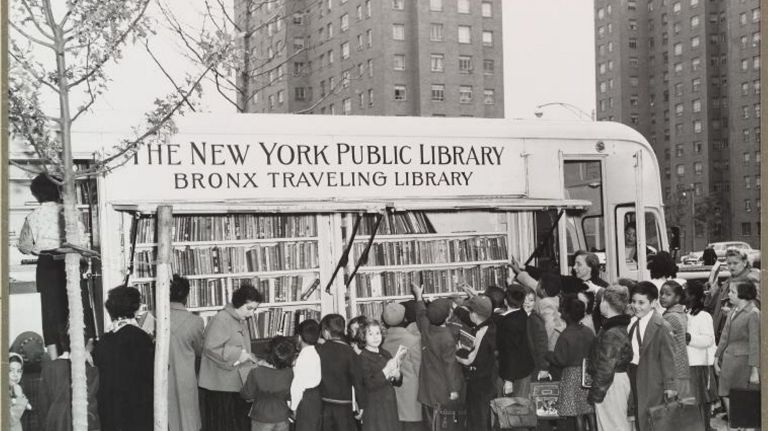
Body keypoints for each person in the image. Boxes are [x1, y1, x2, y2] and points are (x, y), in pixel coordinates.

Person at [17, 173, 91, 360]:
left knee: (50, 314)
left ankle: (55, 360)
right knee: (75, 309)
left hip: (47, 265)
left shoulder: (33, 216)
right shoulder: (70, 212)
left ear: (37, 194)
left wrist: (37, 249)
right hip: (69, 261)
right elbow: (82, 243)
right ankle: (82, 357)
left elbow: (24, 247)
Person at [199, 283, 262, 431]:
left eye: (254, 309)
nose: (252, 314)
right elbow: (210, 348)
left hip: (231, 384)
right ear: (238, 303)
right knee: (224, 425)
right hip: (220, 387)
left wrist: (251, 358)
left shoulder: (239, 319)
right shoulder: (221, 319)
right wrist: (239, 354)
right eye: (249, 308)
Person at [93, 285, 154, 431]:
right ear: (135, 307)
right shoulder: (141, 338)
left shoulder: (104, 340)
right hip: (137, 408)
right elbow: (150, 374)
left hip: (111, 408)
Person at [409, 283, 464, 430]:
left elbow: (421, 314)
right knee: (442, 424)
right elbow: (450, 365)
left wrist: (419, 297)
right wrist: (453, 390)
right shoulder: (447, 338)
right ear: (448, 316)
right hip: (442, 391)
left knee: (429, 423)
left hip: (427, 389)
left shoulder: (426, 328)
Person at [627, 282, 677, 431]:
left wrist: (670, 386)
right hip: (634, 373)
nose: (636, 306)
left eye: (641, 302)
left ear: (654, 302)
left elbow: (669, 358)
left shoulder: (662, 326)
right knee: (639, 415)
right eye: (634, 302)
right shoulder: (633, 323)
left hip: (653, 378)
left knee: (653, 419)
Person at [546, 295, 595, 431]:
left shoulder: (565, 335)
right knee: (590, 411)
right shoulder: (588, 332)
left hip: (571, 376)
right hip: (588, 374)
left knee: (578, 414)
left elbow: (560, 360)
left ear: (566, 314)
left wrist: (548, 355)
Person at [587, 285, 633, 431]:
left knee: (611, 425)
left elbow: (606, 366)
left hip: (611, 382)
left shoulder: (611, 332)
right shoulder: (617, 328)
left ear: (605, 304)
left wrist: (596, 393)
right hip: (615, 380)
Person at [714, 280, 760, 423]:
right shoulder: (733, 311)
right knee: (725, 394)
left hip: (743, 364)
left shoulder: (753, 313)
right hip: (728, 362)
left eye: (733, 292)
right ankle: (736, 424)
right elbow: (724, 336)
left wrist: (754, 371)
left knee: (742, 400)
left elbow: (755, 344)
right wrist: (716, 358)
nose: (729, 294)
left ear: (743, 294)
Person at [37, 328, 100, 431]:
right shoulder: (89, 369)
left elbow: (43, 404)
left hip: (55, 420)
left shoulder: (49, 368)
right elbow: (92, 400)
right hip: (81, 417)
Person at [317, 313, 366, 431]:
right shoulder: (350, 352)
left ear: (326, 332)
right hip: (345, 405)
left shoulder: (319, 350)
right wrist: (362, 405)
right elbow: (358, 381)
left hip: (324, 404)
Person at [168, 274, 205, 431]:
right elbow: (200, 350)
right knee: (188, 418)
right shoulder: (195, 321)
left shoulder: (153, 316)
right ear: (186, 296)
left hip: (161, 377)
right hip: (186, 377)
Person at [456, 295, 497, 431]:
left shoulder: (482, 332)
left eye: (470, 311)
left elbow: (470, 359)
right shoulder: (491, 323)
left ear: (474, 315)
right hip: (488, 380)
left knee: (478, 420)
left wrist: (458, 351)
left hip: (480, 384)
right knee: (483, 418)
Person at [381, 303, 424, 431]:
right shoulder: (414, 340)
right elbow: (419, 371)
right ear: (405, 318)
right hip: (411, 401)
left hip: (389, 401)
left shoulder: (380, 341)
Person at [240, 336, 297, 431]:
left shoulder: (256, 372)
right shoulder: (289, 373)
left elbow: (247, 394)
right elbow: (289, 395)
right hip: (282, 416)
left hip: (261, 417)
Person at [706, 248, 760, 344]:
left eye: (735, 263)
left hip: (740, 339)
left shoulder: (751, 280)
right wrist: (713, 290)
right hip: (724, 335)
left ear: (744, 263)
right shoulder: (730, 280)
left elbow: (755, 307)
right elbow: (715, 304)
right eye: (729, 263)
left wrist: (732, 312)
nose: (731, 266)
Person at [684, 281, 717, 431]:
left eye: (686, 292)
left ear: (694, 296)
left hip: (698, 365)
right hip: (686, 364)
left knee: (700, 402)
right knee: (689, 403)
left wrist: (689, 338)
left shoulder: (704, 316)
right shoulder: (684, 313)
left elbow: (708, 340)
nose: (682, 294)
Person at [359, 320, 402, 431]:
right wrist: (386, 370)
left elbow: (397, 382)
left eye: (378, 333)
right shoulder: (362, 357)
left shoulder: (385, 353)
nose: (375, 337)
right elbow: (369, 384)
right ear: (363, 336)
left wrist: (397, 375)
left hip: (389, 402)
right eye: (371, 334)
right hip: (374, 405)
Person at [496, 283, 535, 397]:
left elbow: (510, 351)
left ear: (505, 301)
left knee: (512, 408)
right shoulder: (521, 314)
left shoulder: (506, 323)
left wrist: (509, 380)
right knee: (521, 406)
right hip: (525, 368)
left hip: (513, 372)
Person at [658, 280, 691, 399]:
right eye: (661, 293)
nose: (662, 297)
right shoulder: (680, 314)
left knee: (672, 411)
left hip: (674, 371)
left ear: (677, 297)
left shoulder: (670, 317)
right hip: (681, 370)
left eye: (667, 294)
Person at [291, 319, 322, 431]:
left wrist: (293, 407)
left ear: (299, 337)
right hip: (316, 396)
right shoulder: (316, 353)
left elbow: (297, 385)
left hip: (305, 398)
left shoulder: (302, 358)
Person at [572, 250, 609, 331]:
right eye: (574, 264)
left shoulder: (604, 288)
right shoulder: (573, 285)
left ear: (590, 268)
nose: (574, 267)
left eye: (579, 264)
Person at [523, 286, 551, 382]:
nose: (527, 302)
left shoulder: (535, 320)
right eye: (524, 299)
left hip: (533, 364)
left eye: (531, 300)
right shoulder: (519, 317)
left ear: (535, 303)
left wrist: (544, 367)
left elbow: (542, 344)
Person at [9, 353, 31, 431]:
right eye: (10, 370)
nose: (15, 375)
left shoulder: (14, 389)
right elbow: (9, 421)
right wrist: (19, 399)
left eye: (19, 371)